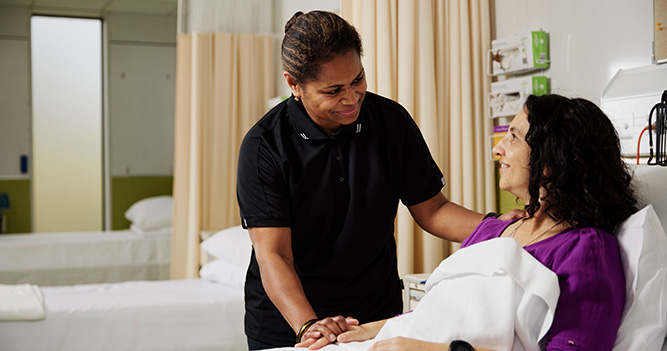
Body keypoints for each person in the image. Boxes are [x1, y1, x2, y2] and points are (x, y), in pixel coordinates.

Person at [236, 10, 511, 350]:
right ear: (294, 84)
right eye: (333, 90)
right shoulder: (265, 146)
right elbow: (274, 255)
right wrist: (309, 326)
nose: (351, 98)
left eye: (357, 80)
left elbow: (433, 210)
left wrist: (501, 229)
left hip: (374, 312)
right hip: (290, 321)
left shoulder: (391, 122)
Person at [309, 94, 639, 351]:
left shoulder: (586, 249)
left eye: (513, 137)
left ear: (552, 161)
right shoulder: (495, 231)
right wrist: (355, 331)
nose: (499, 148)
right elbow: (440, 314)